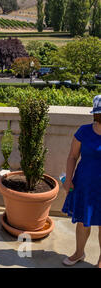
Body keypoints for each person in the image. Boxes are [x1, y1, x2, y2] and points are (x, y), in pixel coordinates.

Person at [61, 94, 101, 267]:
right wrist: (68, 180)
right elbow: (72, 156)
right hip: (85, 184)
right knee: (83, 221)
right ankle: (79, 252)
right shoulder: (83, 131)